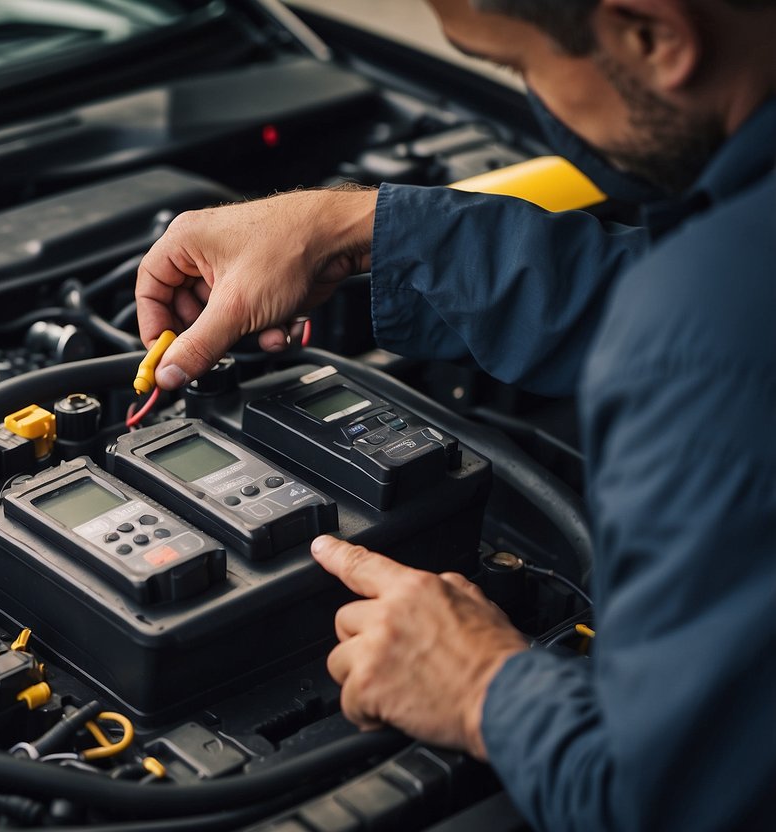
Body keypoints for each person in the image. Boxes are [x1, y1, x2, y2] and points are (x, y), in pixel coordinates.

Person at [134, 1, 776, 829]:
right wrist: (360, 229)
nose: (532, 103)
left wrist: (484, 690)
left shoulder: (710, 330)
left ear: (652, 36)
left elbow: (676, 802)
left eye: (514, 66)